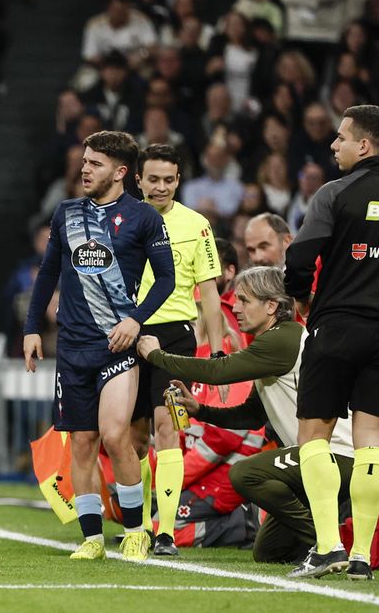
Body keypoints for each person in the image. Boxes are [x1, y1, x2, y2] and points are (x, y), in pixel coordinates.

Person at [284, 105, 379, 580]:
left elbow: (300, 257)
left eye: (340, 138)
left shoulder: (335, 193)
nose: (333, 145)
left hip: (336, 327)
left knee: (315, 434)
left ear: (364, 146)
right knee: (372, 441)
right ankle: (361, 557)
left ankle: (329, 545)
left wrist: (303, 297)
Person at [137, 266, 367, 564]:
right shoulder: (274, 342)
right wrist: (201, 410)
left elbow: (217, 370)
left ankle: (328, 544)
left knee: (246, 473)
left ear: (272, 306)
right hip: (316, 460)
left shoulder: (281, 339)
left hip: (335, 456)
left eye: (245, 300)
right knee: (268, 551)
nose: (235, 306)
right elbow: (252, 416)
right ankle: (333, 534)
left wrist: (158, 357)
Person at [22, 131, 175, 562]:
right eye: (85, 161)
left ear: (121, 172)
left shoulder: (144, 218)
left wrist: (135, 319)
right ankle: (92, 540)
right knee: (83, 442)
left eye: (95, 163)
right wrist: (32, 327)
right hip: (71, 346)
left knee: (114, 435)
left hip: (116, 344)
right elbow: (48, 272)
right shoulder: (66, 212)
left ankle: (135, 531)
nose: (85, 168)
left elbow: (166, 279)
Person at [130, 143, 223, 557]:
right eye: (154, 179)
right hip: (125, 335)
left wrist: (218, 352)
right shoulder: (120, 220)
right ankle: (138, 525)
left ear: (179, 181)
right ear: (138, 180)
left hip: (175, 341)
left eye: (169, 180)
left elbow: (209, 294)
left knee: (168, 430)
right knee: (129, 438)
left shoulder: (197, 225)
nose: (162, 187)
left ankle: (165, 532)